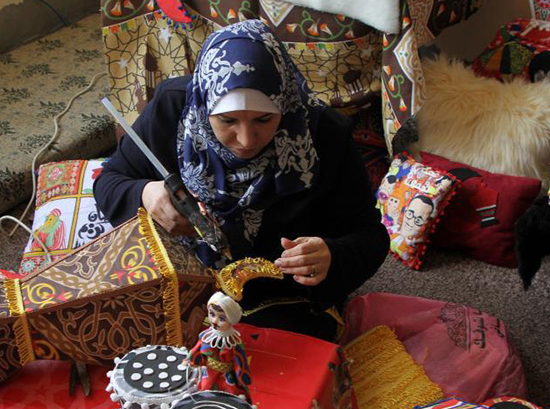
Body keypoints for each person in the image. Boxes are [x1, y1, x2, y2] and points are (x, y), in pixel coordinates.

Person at [94, 20, 388, 339]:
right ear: (205, 105)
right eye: (227, 120)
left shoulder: (325, 135)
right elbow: (110, 181)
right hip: (181, 281)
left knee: (270, 360)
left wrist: (332, 255)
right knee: (119, 334)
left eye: (264, 119)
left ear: (285, 103)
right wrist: (146, 193)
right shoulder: (173, 108)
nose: (246, 140)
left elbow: (370, 237)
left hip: (279, 298)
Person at [189, 292, 252, 401]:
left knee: (230, 396)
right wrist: (191, 359)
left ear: (231, 320)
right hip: (208, 372)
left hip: (227, 375)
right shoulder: (206, 335)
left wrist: (242, 375)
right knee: (204, 391)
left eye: (222, 318)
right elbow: (198, 348)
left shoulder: (233, 342)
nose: (214, 321)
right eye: (212, 314)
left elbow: (240, 360)